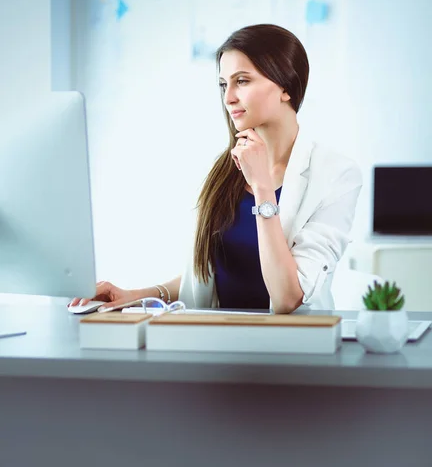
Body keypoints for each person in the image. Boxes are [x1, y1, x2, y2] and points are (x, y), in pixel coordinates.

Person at [69, 23, 362, 314]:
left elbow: (288, 297)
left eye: (242, 81)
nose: (228, 97)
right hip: (218, 338)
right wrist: (134, 295)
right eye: (224, 84)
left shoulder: (337, 175)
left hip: (294, 347)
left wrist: (262, 189)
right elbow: (205, 281)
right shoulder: (225, 169)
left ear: (285, 86)